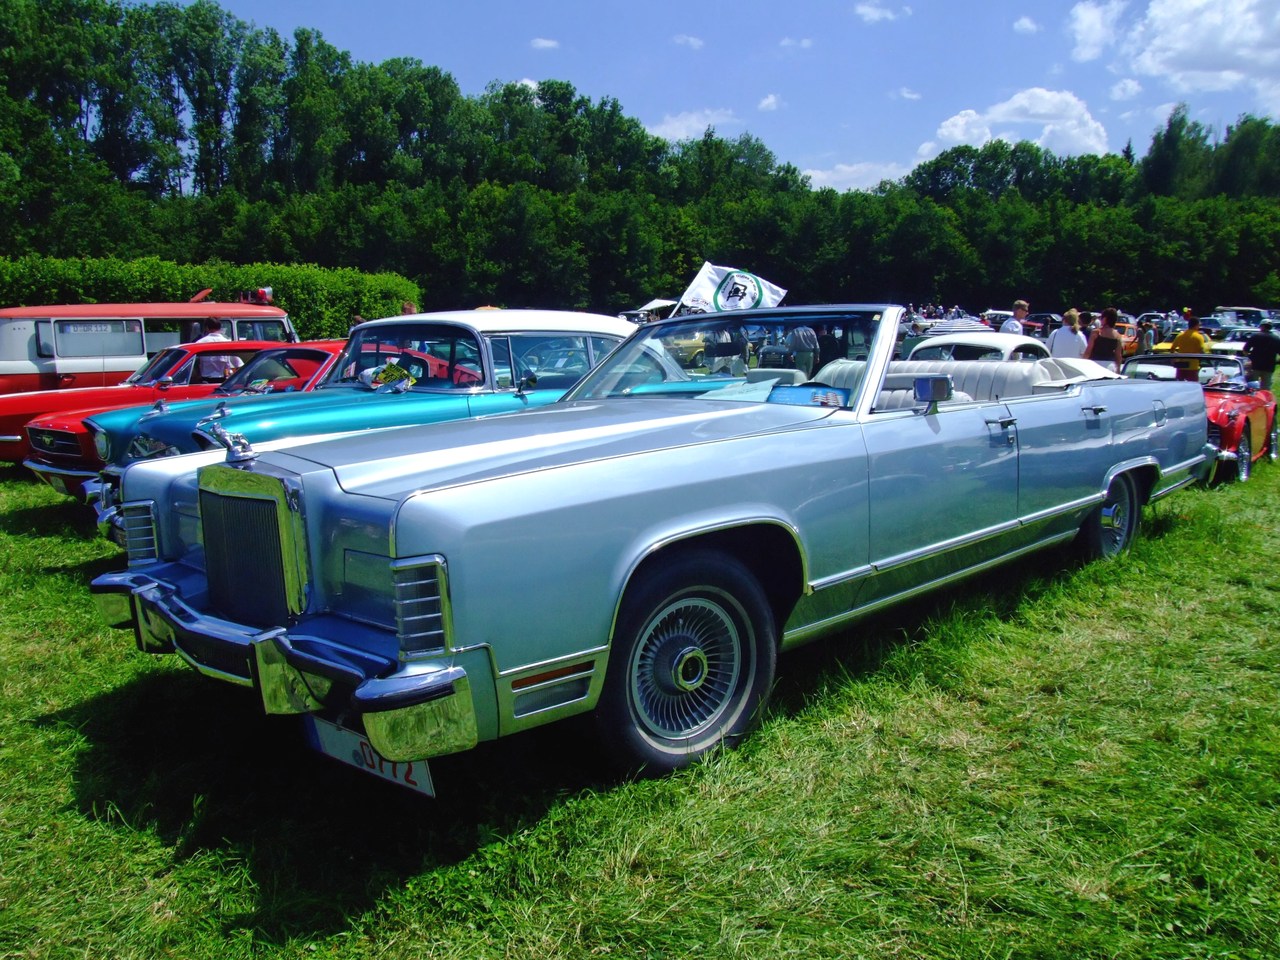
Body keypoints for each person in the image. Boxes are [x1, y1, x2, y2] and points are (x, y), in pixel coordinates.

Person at [1084, 307, 1125, 372]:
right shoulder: (1118, 336)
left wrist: (1083, 363)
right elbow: (1118, 356)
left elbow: (1088, 352)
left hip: (1095, 365)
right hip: (1110, 366)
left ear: (1105, 319)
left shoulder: (1096, 333)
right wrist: (1118, 370)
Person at [1242, 321, 1280, 391]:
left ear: (1262, 326)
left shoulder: (1255, 336)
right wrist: (1276, 362)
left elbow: (1245, 350)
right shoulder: (1276, 338)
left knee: (1252, 387)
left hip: (1254, 365)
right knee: (1266, 388)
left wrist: (1249, 358)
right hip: (1269, 366)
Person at [1169, 315, 1209, 382]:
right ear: (1196, 325)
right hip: (1193, 367)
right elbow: (1202, 351)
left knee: (1180, 386)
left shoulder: (1180, 336)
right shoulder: (1199, 337)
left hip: (1181, 366)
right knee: (1193, 387)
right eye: (1199, 325)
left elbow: (1172, 349)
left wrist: (1175, 360)